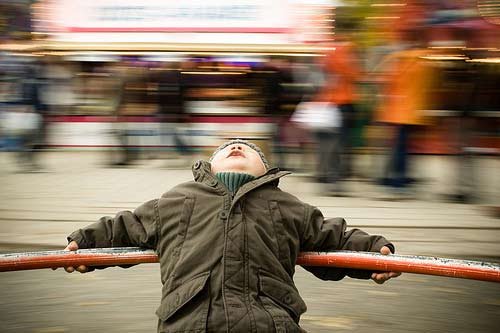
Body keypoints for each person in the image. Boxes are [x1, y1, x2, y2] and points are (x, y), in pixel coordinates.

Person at [57, 139, 401, 332]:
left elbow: (332, 236)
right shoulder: (178, 199)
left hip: (271, 322)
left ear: (266, 171)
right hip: (189, 322)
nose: (237, 147)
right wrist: (86, 244)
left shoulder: (286, 205)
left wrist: (375, 252)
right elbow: (126, 225)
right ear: (210, 166)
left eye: (247, 148)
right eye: (227, 147)